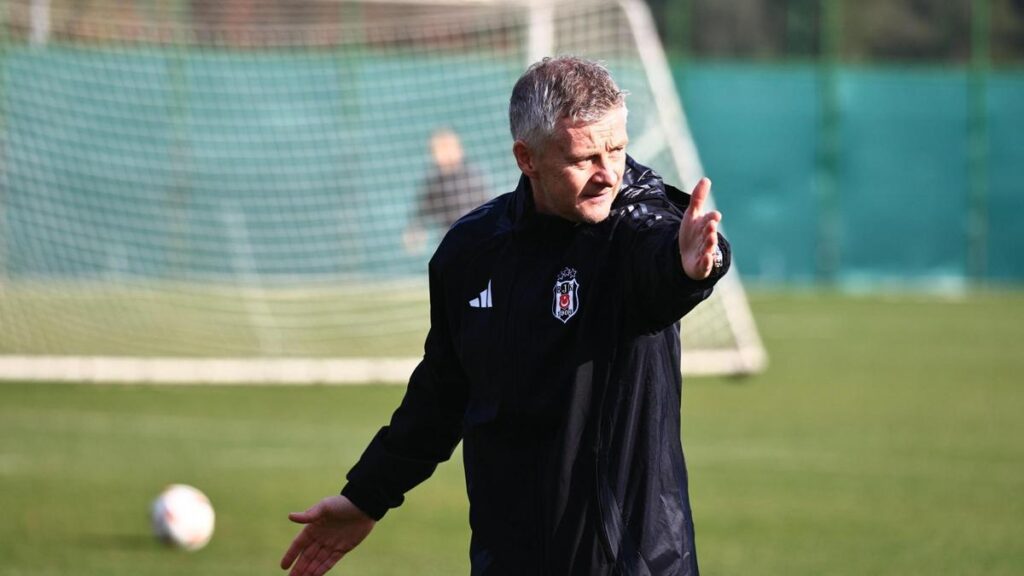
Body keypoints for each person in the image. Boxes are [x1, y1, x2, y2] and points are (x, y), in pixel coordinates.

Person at [281, 56, 729, 576]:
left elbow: (662, 266)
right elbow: (444, 392)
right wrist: (367, 495)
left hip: (632, 564)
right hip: (506, 560)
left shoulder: (636, 224)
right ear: (527, 158)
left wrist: (690, 268)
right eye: (583, 158)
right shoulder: (472, 251)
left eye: (617, 150)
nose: (608, 174)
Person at [403, 128, 491, 255]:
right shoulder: (434, 183)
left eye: (448, 147)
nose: (445, 154)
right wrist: (416, 230)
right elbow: (422, 213)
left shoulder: (472, 178)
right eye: (439, 149)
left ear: (459, 149)